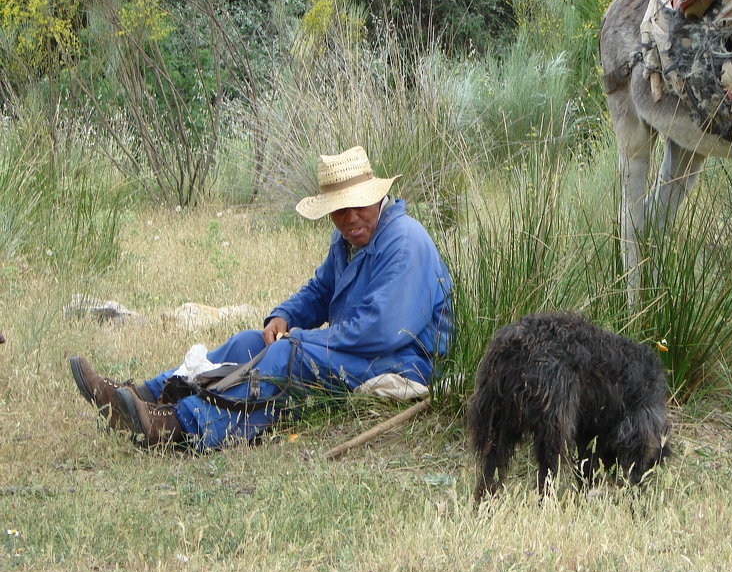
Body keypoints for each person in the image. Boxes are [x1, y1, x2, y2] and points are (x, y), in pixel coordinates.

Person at [70, 145, 453, 450]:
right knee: (252, 341)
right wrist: (284, 317)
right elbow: (320, 291)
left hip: (402, 364)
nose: (350, 218)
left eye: (357, 206)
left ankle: (178, 424)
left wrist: (299, 339)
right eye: (339, 210)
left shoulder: (404, 241)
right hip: (363, 352)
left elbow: (383, 330)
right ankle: (143, 395)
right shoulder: (352, 239)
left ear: (377, 198)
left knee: (286, 356)